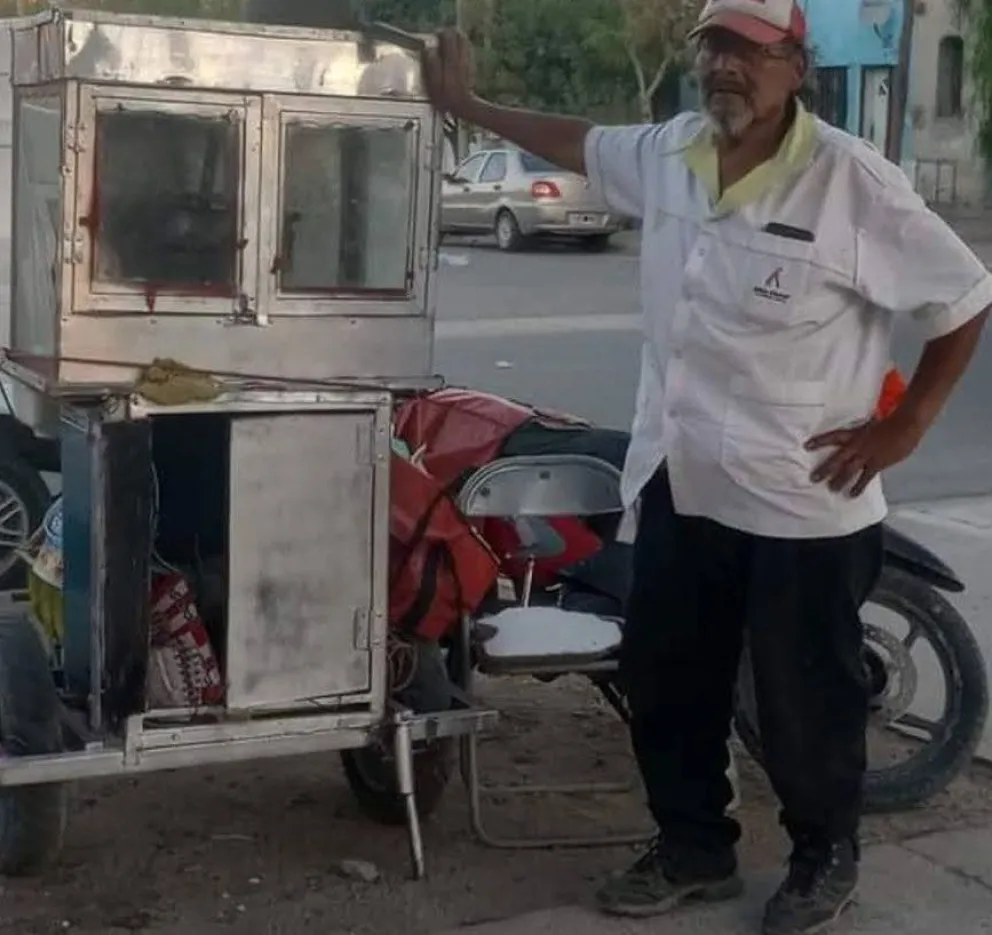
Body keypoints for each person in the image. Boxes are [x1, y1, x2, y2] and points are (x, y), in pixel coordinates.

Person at [421, 0, 992, 932]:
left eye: (750, 52)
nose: (726, 66)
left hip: (803, 499)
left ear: (795, 67)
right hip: (682, 480)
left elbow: (965, 297)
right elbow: (580, 141)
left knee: (806, 694)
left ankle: (823, 856)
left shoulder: (854, 184)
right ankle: (694, 848)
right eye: (714, 47)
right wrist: (472, 105)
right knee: (668, 677)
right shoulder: (672, 153)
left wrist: (908, 425)